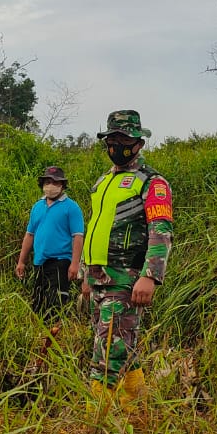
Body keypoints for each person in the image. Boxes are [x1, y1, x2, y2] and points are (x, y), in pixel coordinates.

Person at [81, 110, 172, 406]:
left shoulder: (152, 182)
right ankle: (137, 403)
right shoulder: (102, 183)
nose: (117, 146)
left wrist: (150, 275)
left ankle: (94, 419)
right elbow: (94, 227)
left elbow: (160, 231)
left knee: (107, 352)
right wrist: (85, 274)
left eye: (124, 139)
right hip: (98, 278)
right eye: (112, 140)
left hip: (126, 278)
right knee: (121, 346)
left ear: (139, 143)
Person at [16, 166, 84, 321]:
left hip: (60, 262)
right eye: (48, 182)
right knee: (38, 302)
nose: (51, 185)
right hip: (40, 262)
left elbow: (78, 237)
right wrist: (21, 262)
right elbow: (29, 235)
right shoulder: (37, 206)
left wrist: (75, 264)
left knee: (55, 304)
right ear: (42, 184)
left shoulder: (71, 207)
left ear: (62, 185)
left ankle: (55, 337)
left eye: (55, 182)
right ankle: (39, 338)